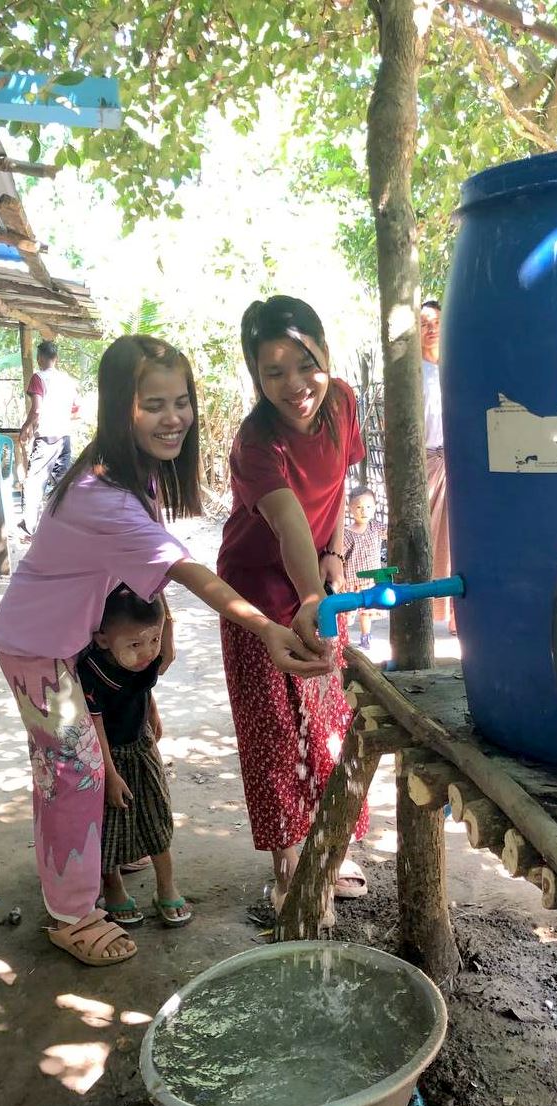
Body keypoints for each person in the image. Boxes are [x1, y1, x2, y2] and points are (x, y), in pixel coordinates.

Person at [0, 334, 329, 968]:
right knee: (77, 775)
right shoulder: (103, 495)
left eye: (181, 402)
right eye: (153, 404)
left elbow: (138, 570)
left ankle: (72, 872)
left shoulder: (126, 474)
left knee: (63, 775)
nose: (173, 418)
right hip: (40, 650)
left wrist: (165, 629)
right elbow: (188, 571)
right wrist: (268, 631)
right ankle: (72, 914)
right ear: (121, 408)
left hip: (65, 642)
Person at [217, 295, 371, 916]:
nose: (293, 385)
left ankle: (331, 849)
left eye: (303, 364)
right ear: (256, 378)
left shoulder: (342, 403)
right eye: (272, 372)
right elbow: (285, 523)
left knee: (330, 716)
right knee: (274, 727)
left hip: (313, 582)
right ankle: (288, 864)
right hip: (257, 588)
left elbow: (335, 491)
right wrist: (311, 594)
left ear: (323, 354)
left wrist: (335, 558)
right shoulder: (257, 443)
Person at [77, 586, 191, 928]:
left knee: (156, 812)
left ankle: (166, 886)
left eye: (153, 640)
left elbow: (144, 686)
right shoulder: (91, 672)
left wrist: (153, 715)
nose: (147, 652)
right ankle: (113, 888)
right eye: (135, 644)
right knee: (110, 823)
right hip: (107, 754)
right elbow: (94, 724)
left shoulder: (147, 659)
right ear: (102, 640)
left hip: (141, 745)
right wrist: (110, 775)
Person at [18, 340, 78, 540]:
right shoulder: (68, 381)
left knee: (35, 481)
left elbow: (36, 409)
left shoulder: (39, 378)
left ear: (40, 358)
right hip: (65, 436)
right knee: (62, 482)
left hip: (46, 436)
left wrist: (26, 427)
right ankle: (65, 526)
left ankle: (30, 527)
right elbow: (76, 409)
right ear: (56, 358)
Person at [420, 299, 455, 635]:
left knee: (462, 536)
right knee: (429, 534)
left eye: (436, 322)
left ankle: (460, 615)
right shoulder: (415, 374)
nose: (431, 329)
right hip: (429, 460)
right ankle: (429, 610)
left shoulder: (458, 365)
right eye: (424, 323)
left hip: (460, 460)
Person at [343, 485, 385, 651]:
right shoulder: (346, 533)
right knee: (347, 613)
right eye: (359, 507)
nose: (364, 511)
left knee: (366, 612)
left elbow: (393, 532)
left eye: (368, 507)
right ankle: (343, 640)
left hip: (371, 580)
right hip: (352, 580)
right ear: (350, 509)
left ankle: (365, 637)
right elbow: (340, 557)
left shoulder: (375, 527)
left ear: (375, 507)